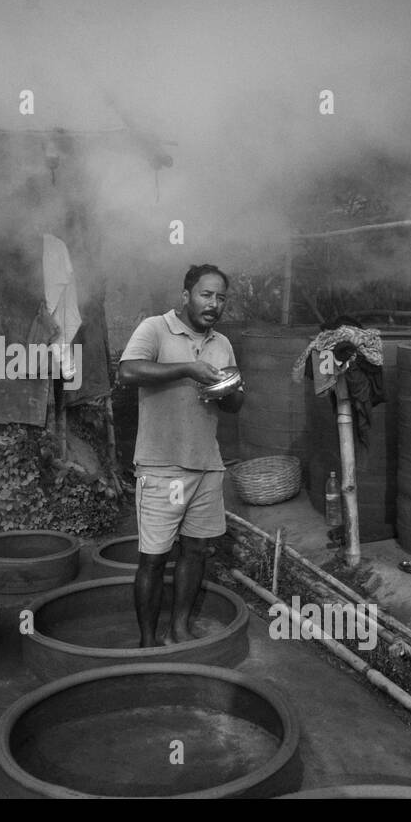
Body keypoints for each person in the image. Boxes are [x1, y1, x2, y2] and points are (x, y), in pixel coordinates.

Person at [117, 264, 243, 646]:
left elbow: (235, 403)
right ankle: (147, 641)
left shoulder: (222, 344)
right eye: (206, 295)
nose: (214, 304)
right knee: (154, 558)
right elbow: (127, 372)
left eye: (221, 298)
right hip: (161, 465)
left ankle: (180, 628)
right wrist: (188, 368)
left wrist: (229, 390)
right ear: (186, 295)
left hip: (206, 464)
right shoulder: (156, 328)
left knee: (195, 550)